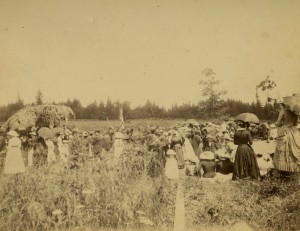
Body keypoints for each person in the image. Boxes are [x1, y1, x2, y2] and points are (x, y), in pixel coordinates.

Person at [273, 102, 300, 174]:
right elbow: (296, 124)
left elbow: (278, 123)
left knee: (282, 149)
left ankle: (283, 169)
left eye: (282, 105)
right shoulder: (295, 113)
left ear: (284, 105)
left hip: (284, 131)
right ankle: (293, 168)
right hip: (293, 132)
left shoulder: (283, 112)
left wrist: (279, 124)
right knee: (293, 148)